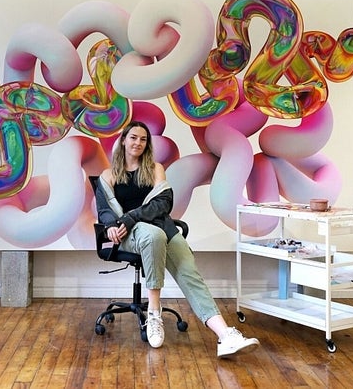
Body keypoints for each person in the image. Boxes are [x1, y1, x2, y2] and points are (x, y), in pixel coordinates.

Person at [94, 120, 259, 357]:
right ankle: (153, 312)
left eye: (143, 139)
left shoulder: (155, 169)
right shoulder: (108, 175)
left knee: (189, 273)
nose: (138, 143)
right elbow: (105, 210)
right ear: (123, 140)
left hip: (162, 228)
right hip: (130, 234)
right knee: (152, 234)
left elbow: (163, 203)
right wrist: (111, 226)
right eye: (133, 138)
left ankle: (225, 335)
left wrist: (129, 217)